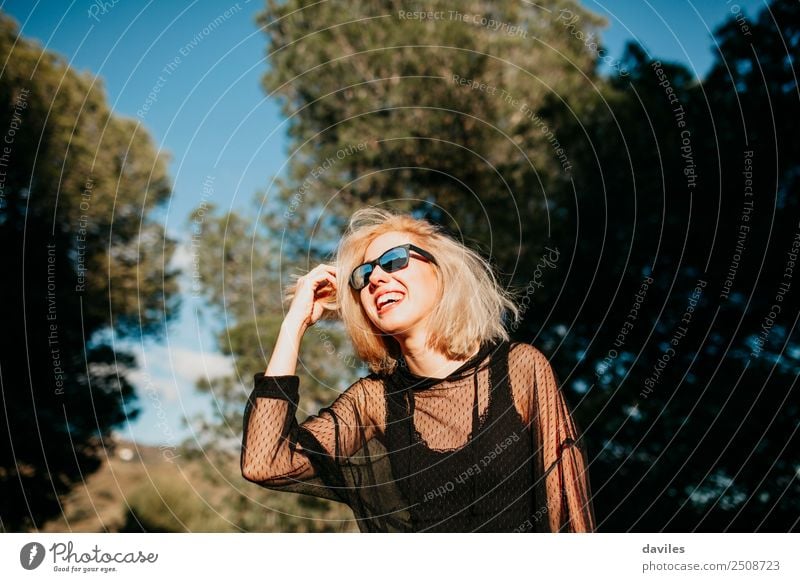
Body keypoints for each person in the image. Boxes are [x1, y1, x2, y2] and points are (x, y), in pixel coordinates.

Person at [241, 207, 595, 532]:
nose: (376, 278)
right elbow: (266, 463)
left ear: (441, 273)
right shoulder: (374, 400)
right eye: (364, 275)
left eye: (394, 260)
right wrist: (295, 323)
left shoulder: (519, 368)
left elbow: (568, 500)